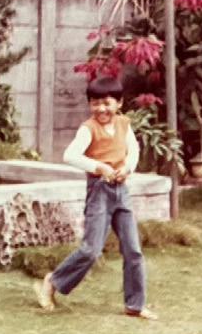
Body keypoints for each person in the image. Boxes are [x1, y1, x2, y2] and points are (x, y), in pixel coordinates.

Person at [36, 75, 158, 320]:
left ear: (119, 103)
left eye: (106, 103)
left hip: (121, 191)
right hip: (99, 192)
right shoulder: (88, 129)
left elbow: (133, 150)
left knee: (133, 251)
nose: (101, 108)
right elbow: (70, 155)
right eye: (95, 103)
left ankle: (135, 305)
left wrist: (127, 168)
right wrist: (99, 167)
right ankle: (53, 281)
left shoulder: (124, 124)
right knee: (91, 250)